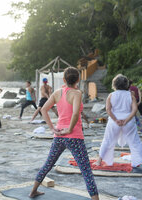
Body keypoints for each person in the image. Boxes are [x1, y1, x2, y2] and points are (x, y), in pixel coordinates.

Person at [29, 67, 99, 200]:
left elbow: (43, 110)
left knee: (48, 164)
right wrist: (70, 129)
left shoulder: (57, 92)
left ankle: (33, 191)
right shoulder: (77, 93)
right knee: (86, 171)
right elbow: (76, 113)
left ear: (64, 79)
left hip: (59, 135)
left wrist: (52, 128)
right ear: (78, 79)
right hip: (74, 137)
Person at [93, 74, 142, 170]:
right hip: (128, 122)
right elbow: (134, 110)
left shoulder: (111, 95)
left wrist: (116, 120)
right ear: (126, 85)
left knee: (107, 141)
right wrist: (126, 120)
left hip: (114, 122)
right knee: (136, 142)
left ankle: (99, 161)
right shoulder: (131, 95)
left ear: (114, 84)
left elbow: (108, 110)